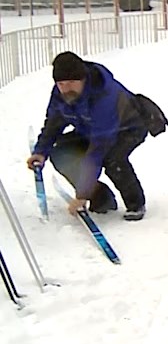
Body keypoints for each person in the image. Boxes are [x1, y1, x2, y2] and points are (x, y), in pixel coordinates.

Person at [28, 51, 150, 220]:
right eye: (61, 83)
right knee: (60, 151)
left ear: (83, 78)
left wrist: (81, 194)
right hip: (91, 129)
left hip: (128, 127)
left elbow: (98, 148)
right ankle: (100, 197)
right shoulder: (59, 94)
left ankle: (135, 204)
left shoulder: (104, 94)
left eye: (71, 82)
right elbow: (53, 123)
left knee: (112, 159)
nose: (66, 88)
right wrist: (40, 151)